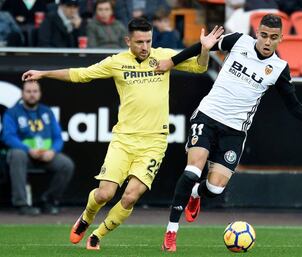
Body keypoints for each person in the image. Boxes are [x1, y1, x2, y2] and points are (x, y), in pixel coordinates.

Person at [22, 18, 223, 250]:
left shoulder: (164, 56)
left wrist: (205, 50)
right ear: (128, 41)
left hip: (154, 142)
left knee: (129, 197)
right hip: (124, 140)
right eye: (139, 42)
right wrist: (44, 74)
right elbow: (81, 74)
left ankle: (98, 234)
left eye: (148, 41)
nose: (145, 47)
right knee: (104, 194)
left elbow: (199, 67)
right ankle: (86, 218)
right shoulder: (117, 62)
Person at [157, 14, 302, 252]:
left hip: (235, 130)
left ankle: (195, 193)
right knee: (192, 169)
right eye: (263, 35)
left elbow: (292, 104)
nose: (267, 41)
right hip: (208, 116)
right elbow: (201, 47)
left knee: (215, 188)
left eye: (273, 37)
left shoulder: (279, 69)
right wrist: (172, 61)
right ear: (257, 33)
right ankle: (171, 231)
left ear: (281, 39)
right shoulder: (238, 41)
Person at [1, 80, 74, 216]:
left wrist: (53, 151)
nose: (32, 95)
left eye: (35, 91)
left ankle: (48, 201)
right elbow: (8, 136)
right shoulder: (12, 113)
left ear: (39, 93)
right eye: (28, 91)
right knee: (17, 155)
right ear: (22, 93)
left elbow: (58, 137)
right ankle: (21, 204)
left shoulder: (47, 112)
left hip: (46, 156)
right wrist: (28, 150)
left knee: (66, 164)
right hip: (25, 155)